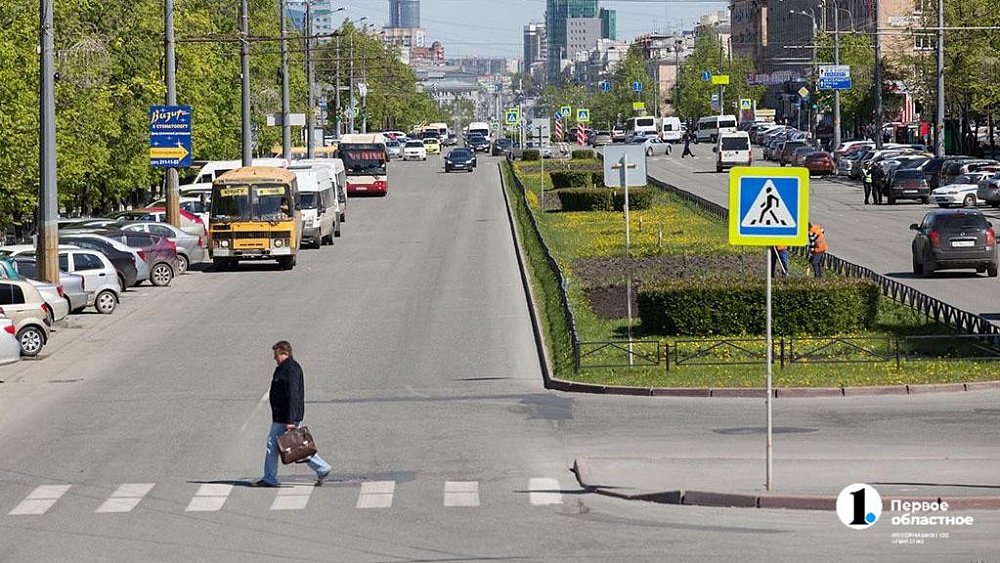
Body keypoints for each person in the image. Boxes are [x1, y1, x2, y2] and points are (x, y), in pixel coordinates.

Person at [253, 341, 331, 487]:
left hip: (286, 417)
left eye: (276, 355)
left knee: (281, 445)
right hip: (282, 416)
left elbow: (293, 395)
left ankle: (270, 478)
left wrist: (291, 421)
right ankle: (322, 468)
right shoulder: (284, 368)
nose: (274, 358)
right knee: (296, 446)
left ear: (284, 353)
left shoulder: (291, 369)